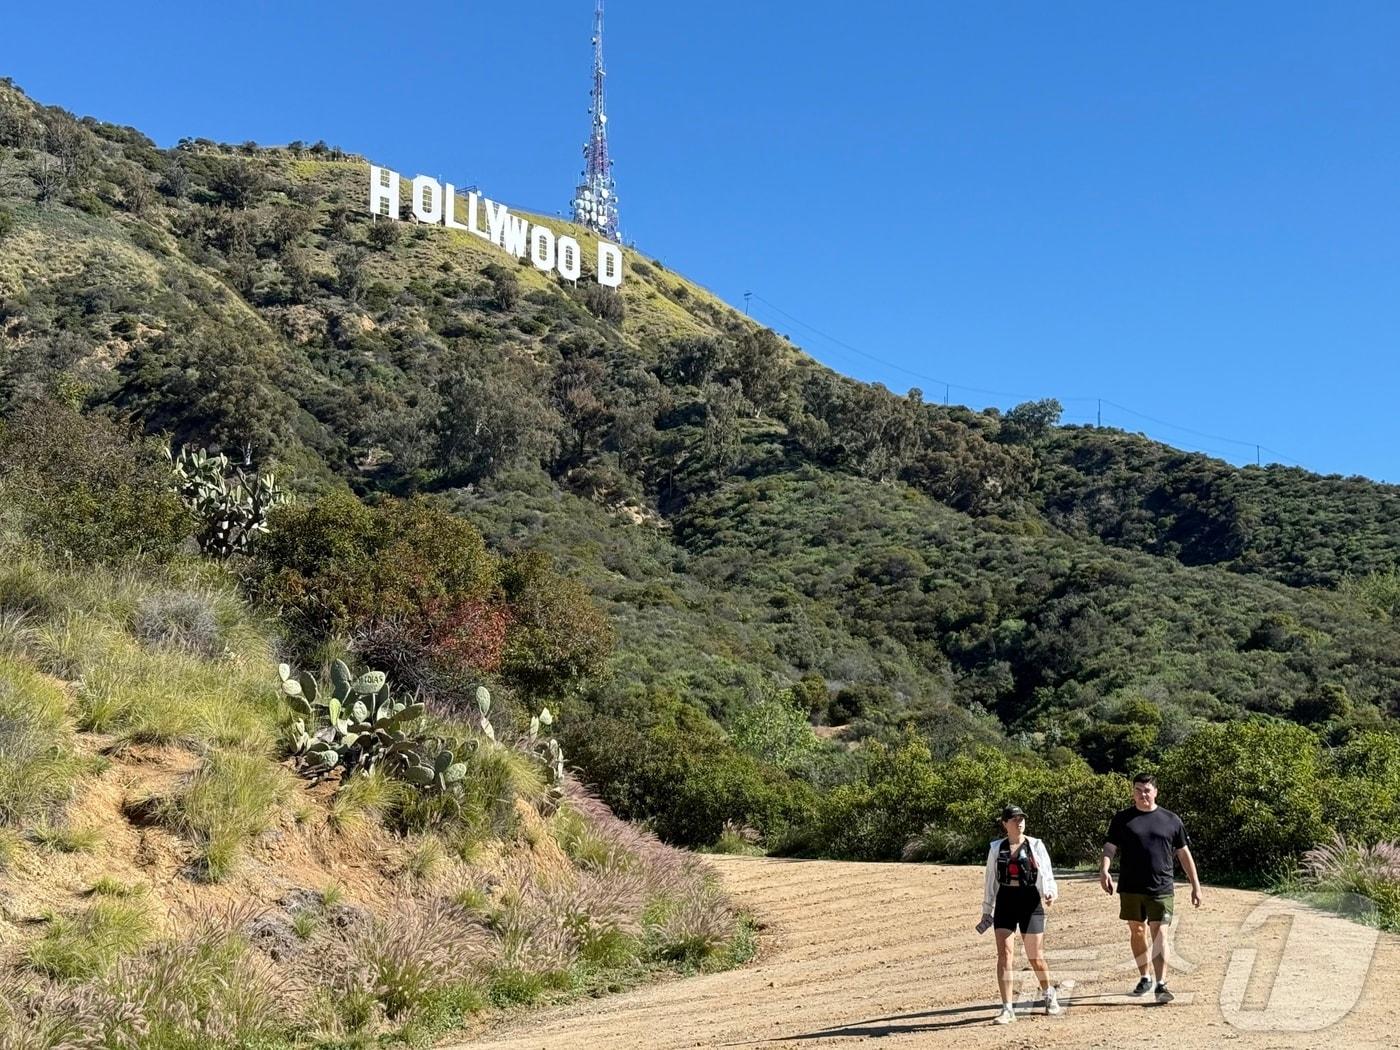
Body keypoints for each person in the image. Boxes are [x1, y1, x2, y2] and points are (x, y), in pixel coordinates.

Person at [1098, 773, 1203, 1003]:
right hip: (1131, 886)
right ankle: (1144, 976)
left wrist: (1195, 884)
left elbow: (1184, 853)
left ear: (1155, 792)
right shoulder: (1122, 819)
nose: (1143, 794)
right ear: (1132, 792)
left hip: (1161, 886)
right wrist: (1104, 869)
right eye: (1138, 790)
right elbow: (1110, 847)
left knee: (1160, 933)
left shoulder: (1171, 820)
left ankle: (1161, 984)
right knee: (1137, 932)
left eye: (1147, 790)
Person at [979, 805, 1061, 1025]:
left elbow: (1046, 871)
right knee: (1005, 955)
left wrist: (1050, 892)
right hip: (1006, 900)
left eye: (1021, 818)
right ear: (1004, 823)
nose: (1019, 822)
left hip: (1030, 901)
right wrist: (987, 910)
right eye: (1014, 819)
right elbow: (991, 879)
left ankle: (1048, 993)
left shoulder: (1036, 845)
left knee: (1035, 956)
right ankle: (1007, 1008)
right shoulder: (996, 848)